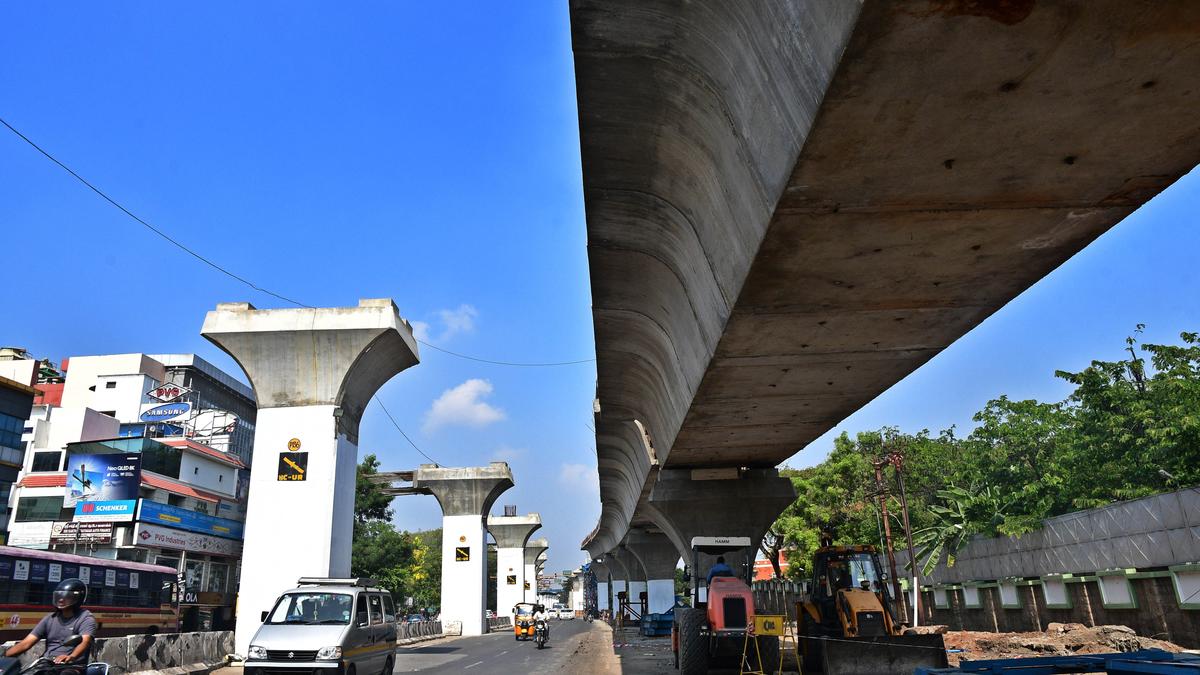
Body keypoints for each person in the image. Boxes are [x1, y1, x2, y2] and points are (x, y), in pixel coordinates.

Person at [4, 579, 97, 673]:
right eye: (59, 596)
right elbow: (27, 643)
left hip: (73, 665)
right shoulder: (49, 619)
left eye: (66, 596)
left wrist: (71, 657)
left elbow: (85, 641)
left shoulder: (85, 618)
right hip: (48, 663)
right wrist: (4, 656)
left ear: (78, 598)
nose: (61, 599)